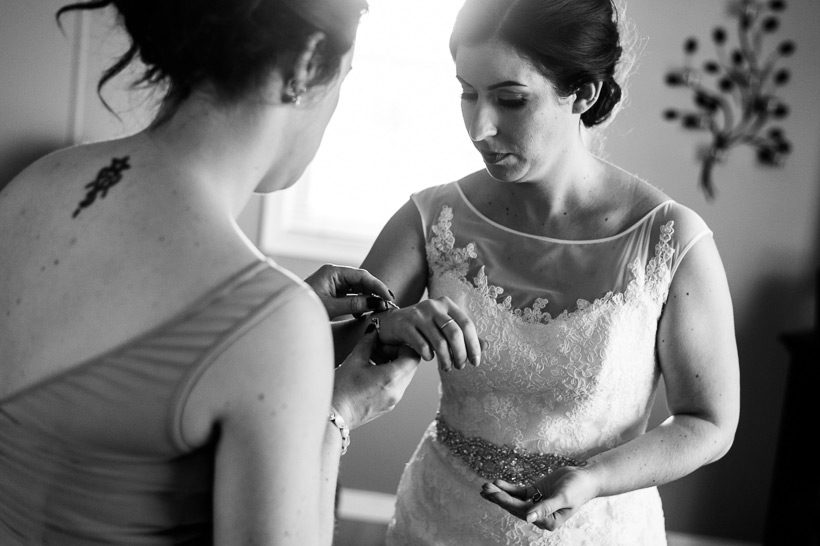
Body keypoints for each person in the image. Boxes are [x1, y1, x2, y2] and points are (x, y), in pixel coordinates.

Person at [0, 1, 422, 544]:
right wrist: (338, 411)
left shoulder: (31, 190)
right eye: (345, 76)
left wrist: (263, 329)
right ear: (308, 63)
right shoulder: (271, 327)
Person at [354, 0, 740, 543]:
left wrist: (594, 479)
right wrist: (384, 329)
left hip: (596, 528)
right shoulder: (430, 216)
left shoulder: (671, 242)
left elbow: (709, 422)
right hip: (439, 524)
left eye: (510, 100)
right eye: (468, 93)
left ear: (582, 93)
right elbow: (326, 356)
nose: (480, 127)